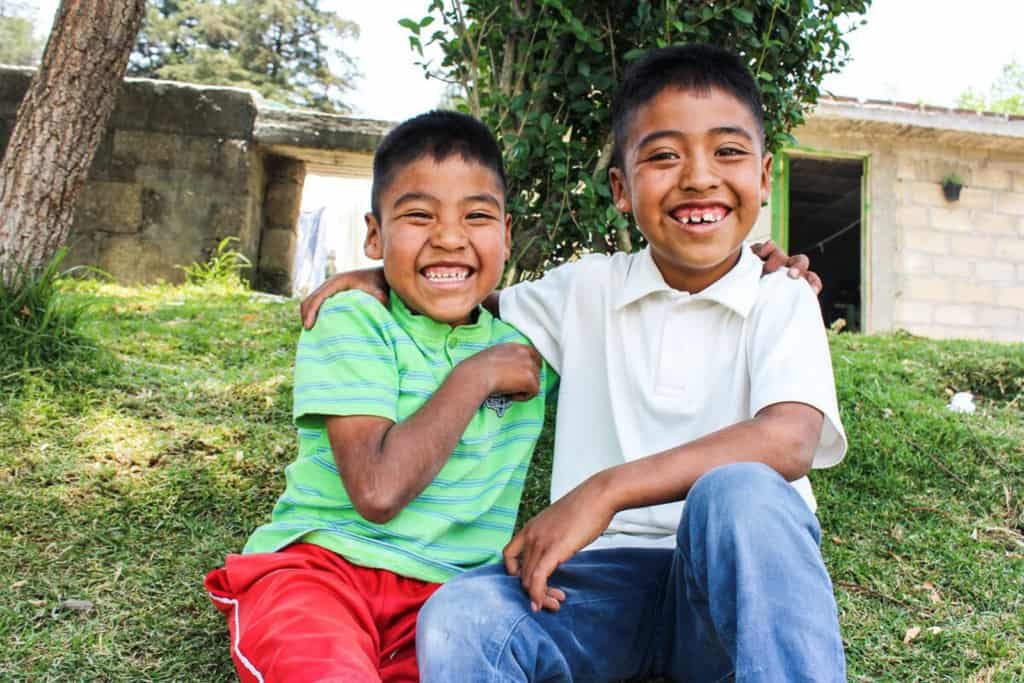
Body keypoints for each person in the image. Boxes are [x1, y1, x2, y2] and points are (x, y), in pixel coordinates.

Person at [303, 44, 847, 682]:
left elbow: (789, 439)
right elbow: (471, 293)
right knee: (460, 616)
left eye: (727, 151)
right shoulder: (584, 290)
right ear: (621, 188)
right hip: (597, 587)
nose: (698, 177)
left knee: (744, 489)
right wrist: (386, 274)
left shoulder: (780, 295)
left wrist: (605, 490)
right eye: (664, 155)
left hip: (731, 589)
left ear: (763, 176)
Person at [204, 110, 562, 683]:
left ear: (507, 232)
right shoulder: (354, 318)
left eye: (477, 216)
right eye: (419, 216)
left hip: (452, 598)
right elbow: (377, 489)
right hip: (321, 571)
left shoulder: (531, 343)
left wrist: (756, 267)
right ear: (375, 234)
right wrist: (475, 377)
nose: (449, 237)